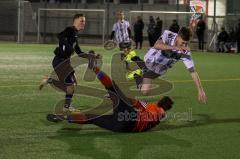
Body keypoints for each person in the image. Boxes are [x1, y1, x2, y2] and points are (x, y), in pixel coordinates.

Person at [47, 66, 174, 133]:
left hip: (130, 118)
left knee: (112, 88)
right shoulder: (159, 118)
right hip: (123, 129)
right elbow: (161, 115)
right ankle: (63, 117)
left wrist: (118, 97)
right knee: (92, 118)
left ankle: (95, 69)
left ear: (160, 102)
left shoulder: (153, 107)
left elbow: (133, 102)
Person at [128, 27, 207, 104]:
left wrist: (200, 90)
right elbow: (157, 45)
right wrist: (175, 47)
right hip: (150, 60)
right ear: (178, 36)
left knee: (145, 92)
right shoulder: (168, 34)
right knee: (145, 71)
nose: (184, 45)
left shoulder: (185, 52)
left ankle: (136, 75)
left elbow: (193, 72)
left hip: (159, 70)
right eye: (183, 42)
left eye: (187, 43)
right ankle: (136, 61)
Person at [39, 14, 101, 113]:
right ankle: (66, 107)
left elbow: (79, 53)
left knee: (74, 84)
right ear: (75, 20)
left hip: (64, 62)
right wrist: (66, 45)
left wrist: (92, 56)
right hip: (60, 61)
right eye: (81, 21)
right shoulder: (70, 30)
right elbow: (60, 36)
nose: (83, 23)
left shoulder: (75, 35)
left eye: (84, 21)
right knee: (71, 85)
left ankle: (51, 82)